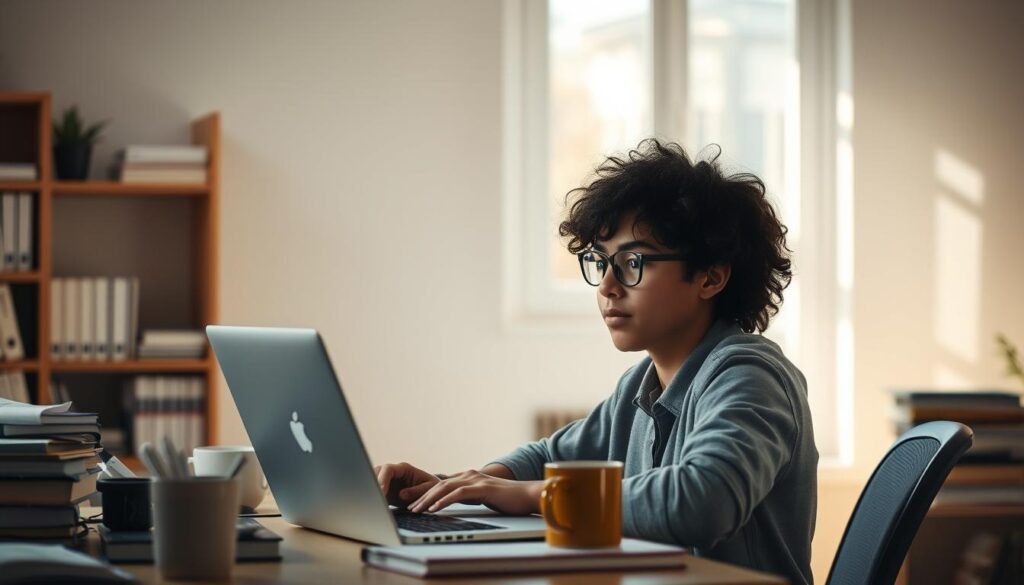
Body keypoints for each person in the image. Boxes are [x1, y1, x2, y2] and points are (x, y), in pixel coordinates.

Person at [375, 139, 817, 585]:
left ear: (711, 276)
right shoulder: (642, 386)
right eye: (600, 262)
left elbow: (702, 502)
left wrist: (529, 495)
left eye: (632, 262)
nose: (606, 286)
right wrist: (451, 488)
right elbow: (548, 456)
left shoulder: (749, 374)